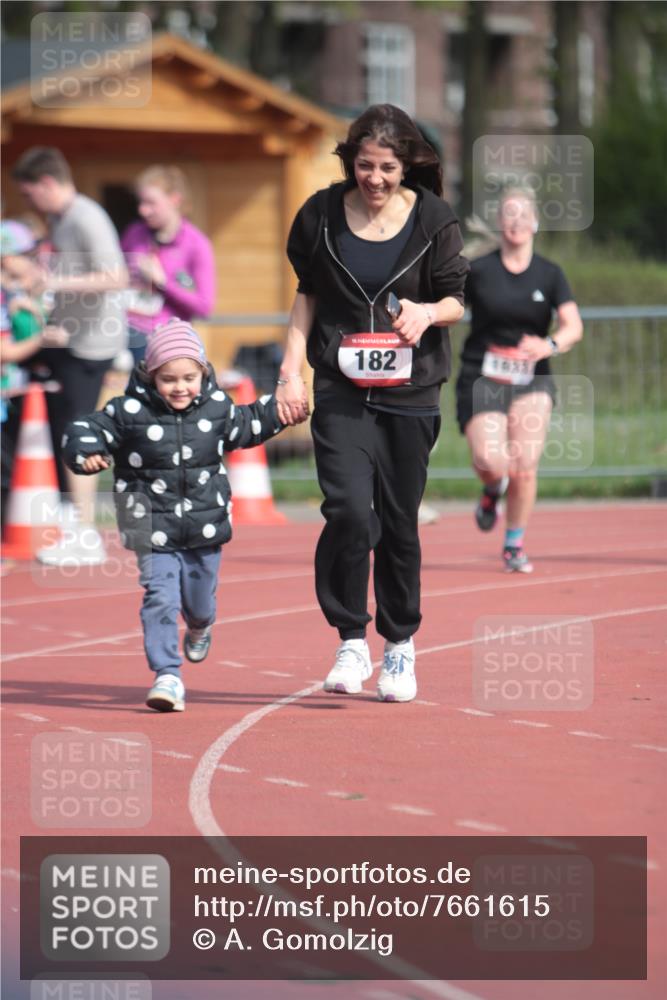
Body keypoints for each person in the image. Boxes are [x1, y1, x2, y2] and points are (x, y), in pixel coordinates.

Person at [279, 103, 469, 703]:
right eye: (365, 166)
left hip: (411, 392)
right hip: (340, 385)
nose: (376, 179)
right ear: (349, 162)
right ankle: (351, 639)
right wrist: (290, 374)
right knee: (347, 511)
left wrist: (426, 312)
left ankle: (400, 647)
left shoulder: (434, 219)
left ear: (407, 166)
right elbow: (306, 298)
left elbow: (457, 300)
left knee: (397, 521)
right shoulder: (320, 216)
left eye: (388, 167)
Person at [62, 319, 290, 713]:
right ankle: (167, 674)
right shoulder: (128, 411)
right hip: (149, 525)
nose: (180, 387)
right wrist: (86, 452)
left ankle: (200, 626)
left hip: (204, 525)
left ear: (203, 373)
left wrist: (285, 407)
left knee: (199, 603)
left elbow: (249, 422)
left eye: (189, 377)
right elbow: (85, 427)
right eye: (169, 379)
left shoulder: (217, 409)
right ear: (152, 377)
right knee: (160, 597)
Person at [11, 146, 129, 566]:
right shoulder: (60, 219)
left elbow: (116, 276)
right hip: (67, 338)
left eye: (29, 195)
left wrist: (55, 282)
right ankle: (72, 522)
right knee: (63, 429)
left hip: (92, 345)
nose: (28, 203)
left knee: (78, 435)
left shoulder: (86, 216)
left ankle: (86, 534)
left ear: (46, 183)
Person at [457, 186, 583, 573]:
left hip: (532, 379)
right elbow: (449, 306)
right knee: (491, 460)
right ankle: (492, 488)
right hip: (484, 376)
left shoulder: (550, 273)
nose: (515, 222)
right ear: (499, 222)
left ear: (535, 223)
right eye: (508, 215)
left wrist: (549, 345)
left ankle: (514, 543)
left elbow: (572, 326)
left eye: (522, 215)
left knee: (524, 465)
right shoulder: (479, 270)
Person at [121, 165, 215, 363]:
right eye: (141, 202)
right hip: (125, 331)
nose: (142, 210)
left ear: (175, 199)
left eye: (151, 203)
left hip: (166, 340)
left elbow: (204, 306)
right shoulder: (135, 234)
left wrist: (162, 282)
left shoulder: (196, 244)